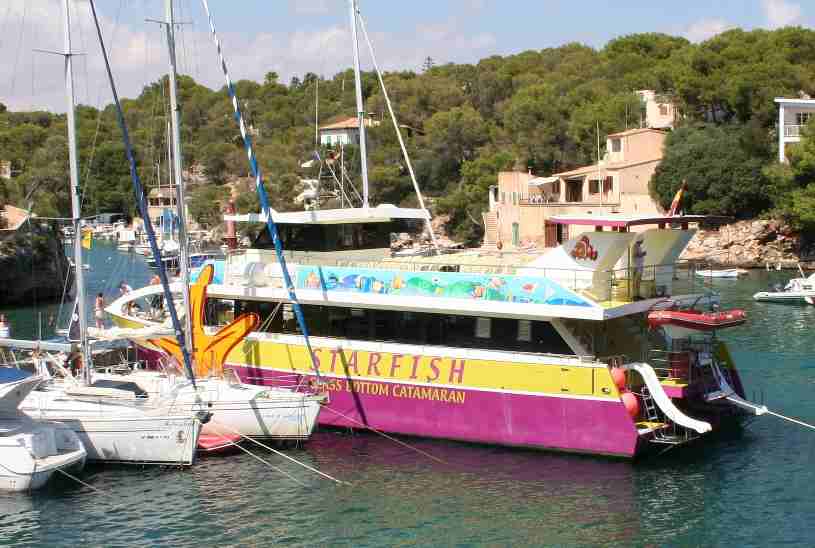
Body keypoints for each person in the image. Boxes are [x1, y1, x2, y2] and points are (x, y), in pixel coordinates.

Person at [631, 236, 647, 300]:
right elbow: (635, 255)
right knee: (635, 282)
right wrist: (642, 254)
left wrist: (641, 254)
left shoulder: (638, 246)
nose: (643, 241)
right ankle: (635, 296)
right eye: (642, 240)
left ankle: (637, 295)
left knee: (638, 282)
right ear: (640, 240)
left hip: (639, 266)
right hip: (636, 267)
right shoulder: (635, 246)